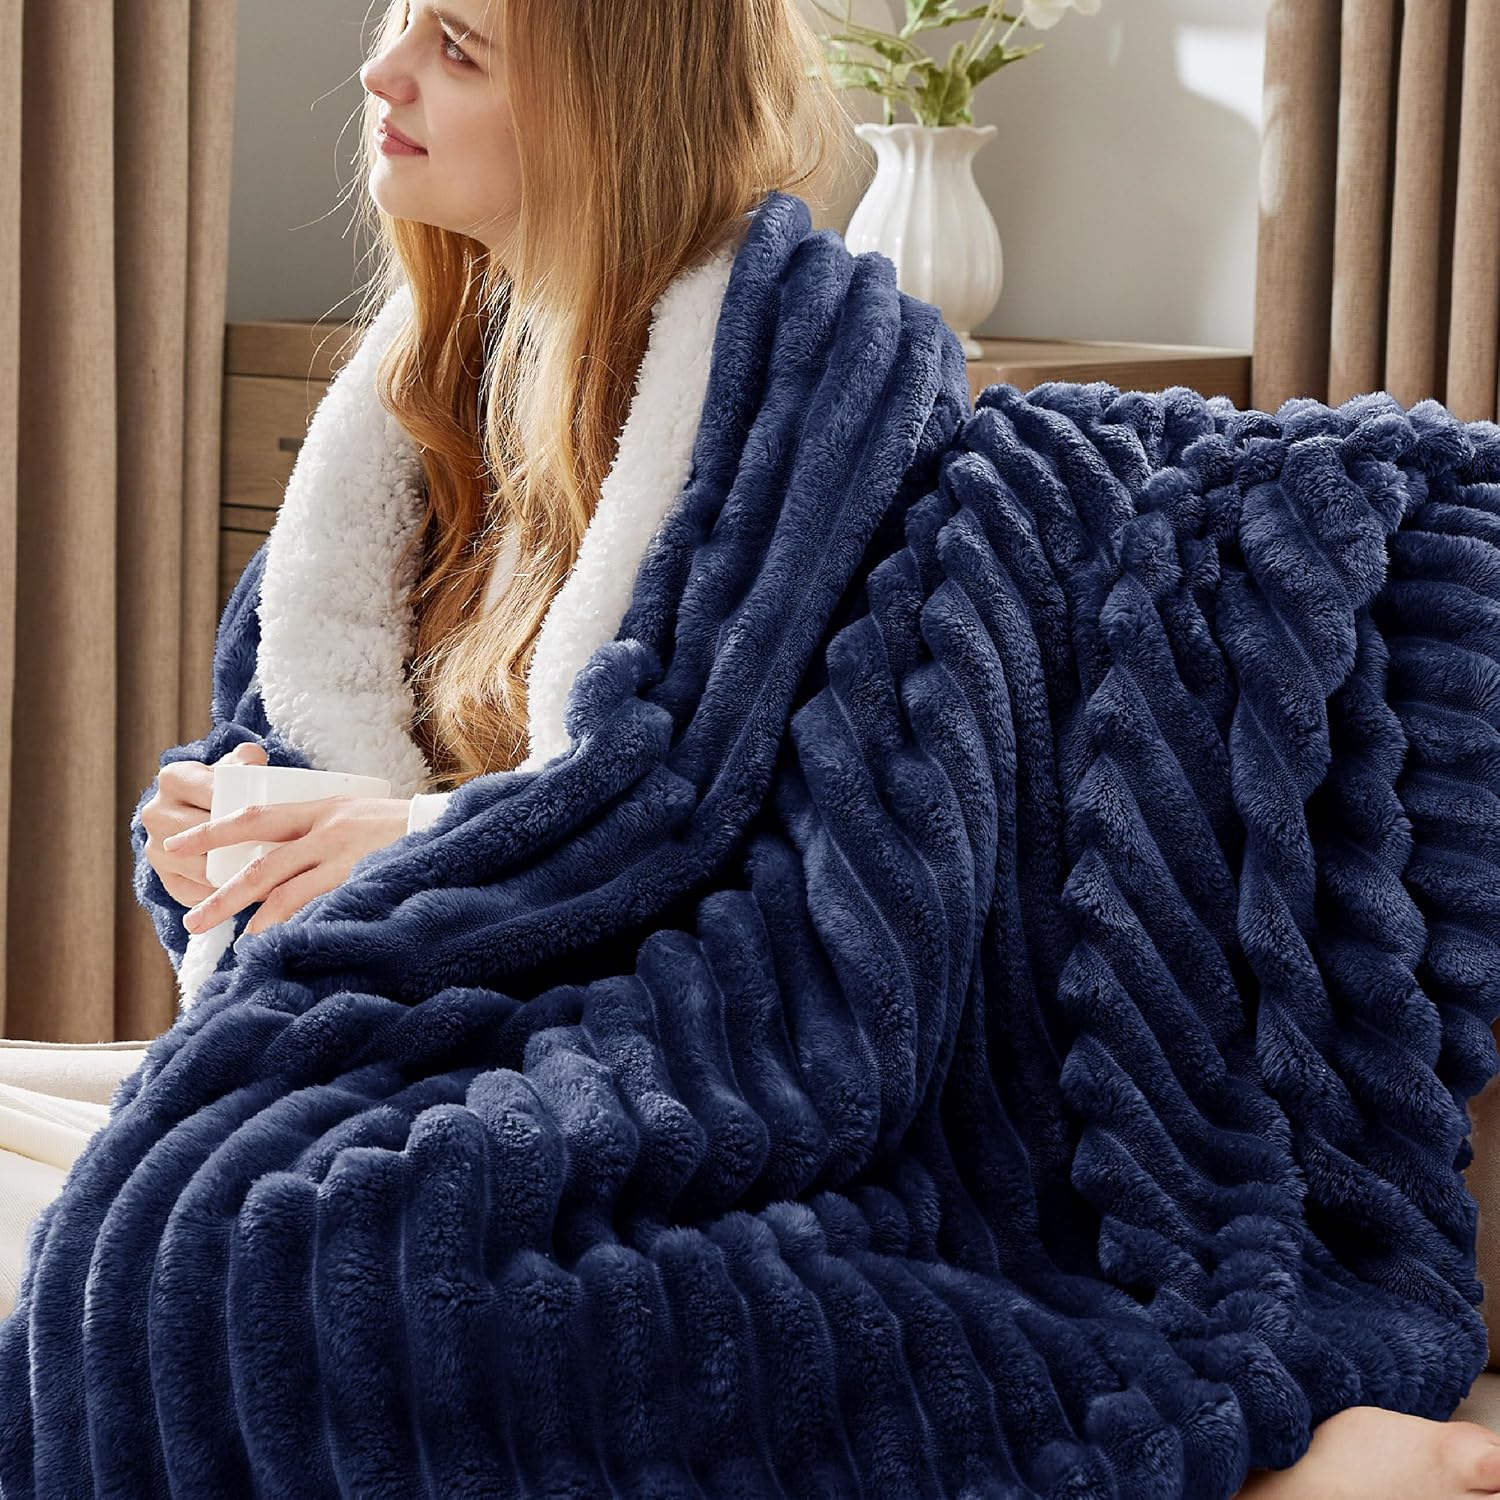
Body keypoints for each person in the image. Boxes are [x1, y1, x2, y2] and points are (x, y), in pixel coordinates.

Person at [3, 2, 1498, 1494]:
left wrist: (414, 852)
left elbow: (717, 805)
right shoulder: (413, 408)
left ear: (611, 110)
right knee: (221, 1227)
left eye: (457, 47)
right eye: (402, 19)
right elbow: (295, 732)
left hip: (680, 1032)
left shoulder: (810, 398)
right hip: (456, 1015)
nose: (380, 70)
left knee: (307, 1253)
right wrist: (232, 832)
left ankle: (1263, 1461)